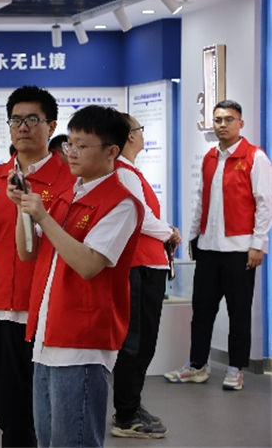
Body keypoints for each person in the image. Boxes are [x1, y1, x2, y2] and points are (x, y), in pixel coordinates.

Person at [11, 105, 144, 447]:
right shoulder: (67, 196)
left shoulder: (122, 203)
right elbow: (28, 252)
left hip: (83, 342)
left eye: (82, 146)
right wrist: (23, 209)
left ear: (111, 151)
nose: (71, 152)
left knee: (74, 441)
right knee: (48, 440)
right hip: (48, 333)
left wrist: (44, 217)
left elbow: (89, 264)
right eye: (70, 143)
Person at [0, 86, 75, 448]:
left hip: (50, 310)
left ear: (51, 125)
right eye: (16, 120)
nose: (23, 127)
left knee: (51, 411)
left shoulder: (70, 179)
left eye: (32, 119)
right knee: (9, 411)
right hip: (1, 309)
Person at [165, 100, 271, 390]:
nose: (222, 125)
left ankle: (236, 368)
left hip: (240, 250)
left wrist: (258, 244)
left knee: (239, 313)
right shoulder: (210, 157)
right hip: (208, 248)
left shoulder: (255, 157)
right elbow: (201, 200)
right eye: (218, 120)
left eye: (228, 119)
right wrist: (193, 237)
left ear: (241, 123)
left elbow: (264, 204)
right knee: (202, 310)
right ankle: (197, 365)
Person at [110, 113, 182, 439]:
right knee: (136, 343)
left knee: (142, 342)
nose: (142, 134)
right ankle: (126, 415)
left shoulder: (129, 171)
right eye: (139, 129)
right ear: (130, 136)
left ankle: (131, 406)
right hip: (138, 267)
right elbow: (141, 217)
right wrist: (170, 232)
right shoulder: (124, 173)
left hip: (147, 266)